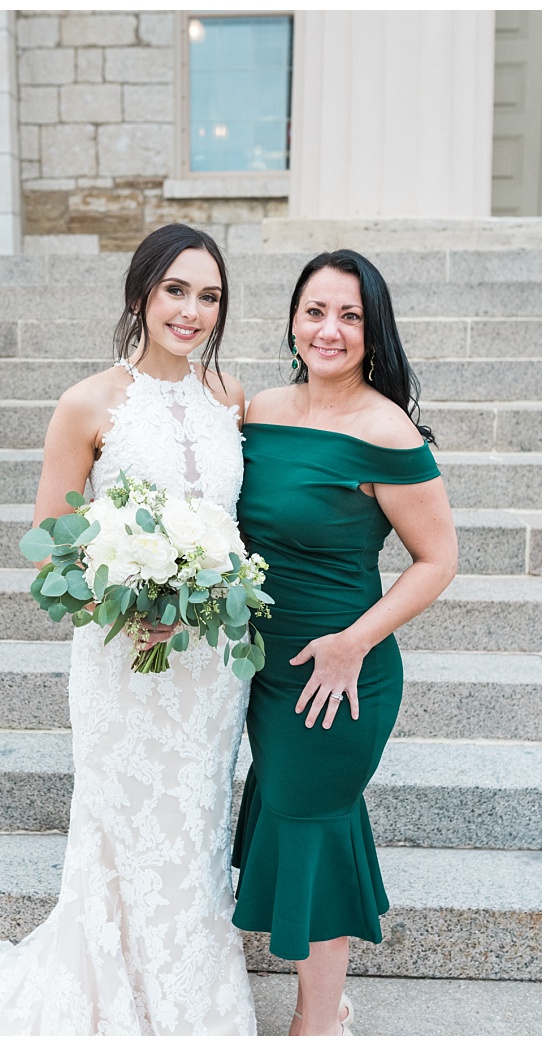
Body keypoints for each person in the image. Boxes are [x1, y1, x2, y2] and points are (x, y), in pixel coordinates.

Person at [0, 224, 257, 1034]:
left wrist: (206, 591)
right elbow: (50, 549)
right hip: (122, 656)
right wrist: (131, 602)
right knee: (123, 823)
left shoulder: (231, 398)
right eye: (175, 290)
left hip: (209, 662)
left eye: (208, 295)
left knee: (196, 818)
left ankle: (188, 994)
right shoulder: (88, 403)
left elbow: (237, 524)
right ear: (141, 294)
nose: (191, 310)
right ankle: (115, 997)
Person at [231, 250, 457, 1036]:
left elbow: (439, 560)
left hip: (342, 673)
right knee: (306, 820)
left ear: (373, 331)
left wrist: (354, 642)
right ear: (293, 318)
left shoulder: (383, 427)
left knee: (312, 823)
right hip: (266, 668)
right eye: (316, 311)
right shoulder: (257, 409)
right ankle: (324, 1005)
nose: (330, 330)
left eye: (350, 316)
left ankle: (317, 1023)